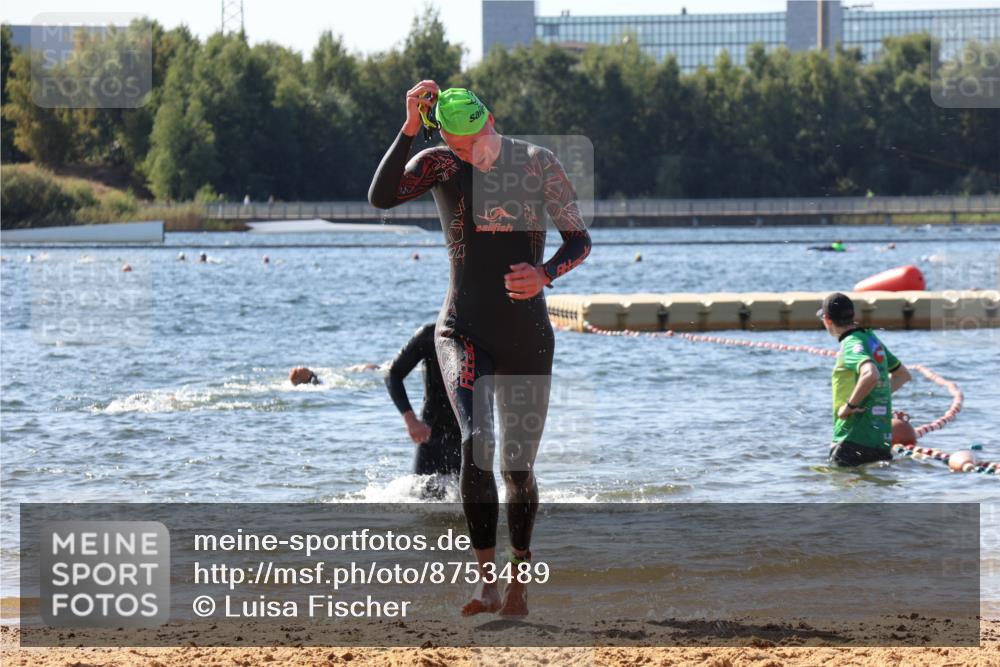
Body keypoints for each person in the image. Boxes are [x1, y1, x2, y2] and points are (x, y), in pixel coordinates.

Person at [369, 82, 591, 617]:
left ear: (489, 119)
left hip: (526, 335)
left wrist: (544, 274)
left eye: (475, 141)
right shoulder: (440, 164)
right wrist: (407, 128)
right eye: (458, 144)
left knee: (518, 469)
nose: (470, 153)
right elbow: (380, 196)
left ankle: (519, 575)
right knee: (475, 443)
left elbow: (578, 240)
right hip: (462, 328)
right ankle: (485, 581)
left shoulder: (537, 163)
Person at [818, 293, 912, 466]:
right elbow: (902, 375)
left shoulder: (850, 344)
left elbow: (871, 374)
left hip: (851, 440)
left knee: (840, 490)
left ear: (827, 320)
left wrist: (849, 406)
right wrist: (872, 396)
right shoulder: (872, 340)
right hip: (880, 442)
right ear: (853, 316)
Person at [385, 324, 462, 498]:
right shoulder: (431, 334)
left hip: (470, 436)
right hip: (431, 433)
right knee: (422, 503)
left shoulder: (483, 336)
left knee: (476, 505)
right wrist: (411, 420)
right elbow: (393, 373)